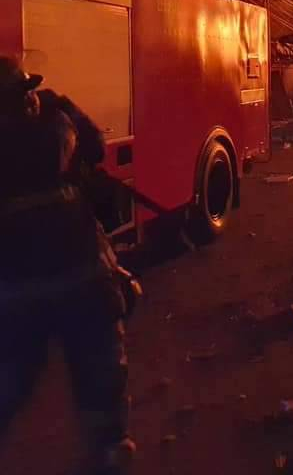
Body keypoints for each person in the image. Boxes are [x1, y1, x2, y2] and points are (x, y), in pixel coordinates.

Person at [0, 56, 137, 474]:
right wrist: (63, 105)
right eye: (24, 93)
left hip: (18, 293)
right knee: (100, 371)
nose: (30, 100)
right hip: (83, 280)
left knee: (12, 379)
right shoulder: (56, 125)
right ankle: (110, 451)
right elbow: (95, 147)